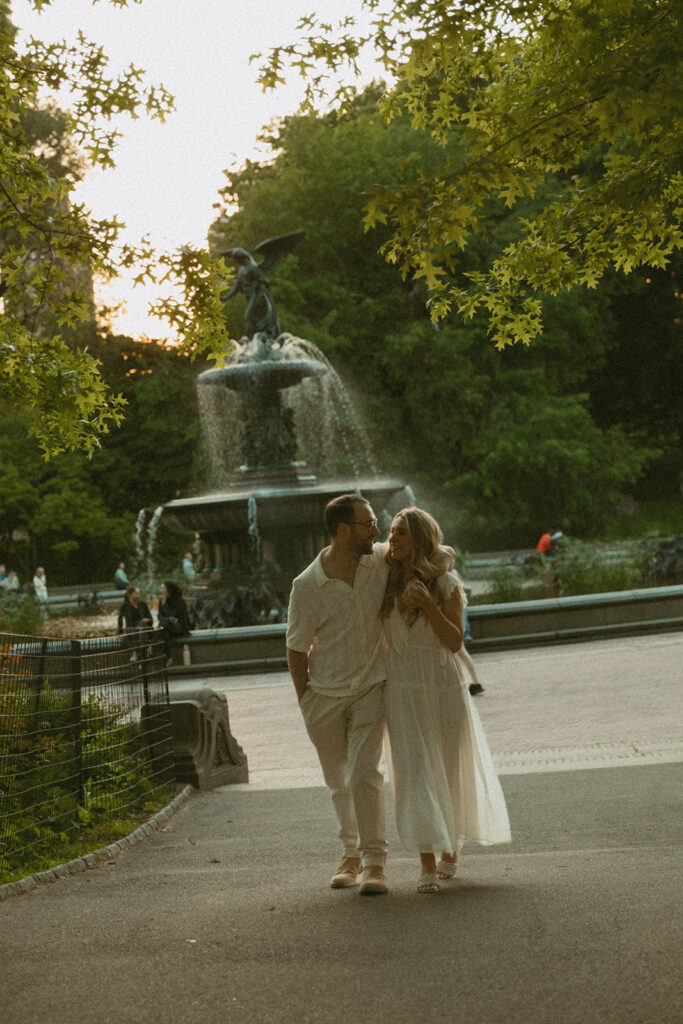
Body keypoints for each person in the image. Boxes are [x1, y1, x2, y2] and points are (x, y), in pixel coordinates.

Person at [381, 507, 511, 893]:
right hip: (402, 685)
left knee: (449, 768)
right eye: (391, 531)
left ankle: (451, 847)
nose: (393, 538)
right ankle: (425, 860)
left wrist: (429, 605)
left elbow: (454, 642)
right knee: (413, 772)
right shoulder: (383, 577)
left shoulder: (447, 581)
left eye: (401, 533)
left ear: (420, 538)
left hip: (440, 681)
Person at [286, 493, 391, 896]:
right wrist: (307, 703)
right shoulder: (308, 584)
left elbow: (431, 551)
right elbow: (296, 648)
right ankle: (350, 854)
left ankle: (375, 863)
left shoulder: (379, 560)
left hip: (371, 685)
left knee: (364, 772)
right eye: (369, 524)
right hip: (324, 695)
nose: (377, 530)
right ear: (344, 530)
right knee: (338, 781)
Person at [157, 580, 191, 663]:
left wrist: (171, 619)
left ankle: (166, 657)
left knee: (162, 629)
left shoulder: (179, 600)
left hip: (178, 627)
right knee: (163, 630)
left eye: (163, 588)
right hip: (166, 626)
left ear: (168, 589)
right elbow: (160, 616)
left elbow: (179, 616)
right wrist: (168, 618)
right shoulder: (161, 601)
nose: (161, 590)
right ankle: (169, 658)